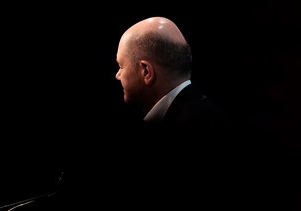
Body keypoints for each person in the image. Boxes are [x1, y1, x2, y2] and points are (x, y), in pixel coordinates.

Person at [113, 16, 295, 210]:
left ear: (146, 72)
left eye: (121, 66)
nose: (117, 75)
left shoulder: (190, 136)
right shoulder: (209, 115)